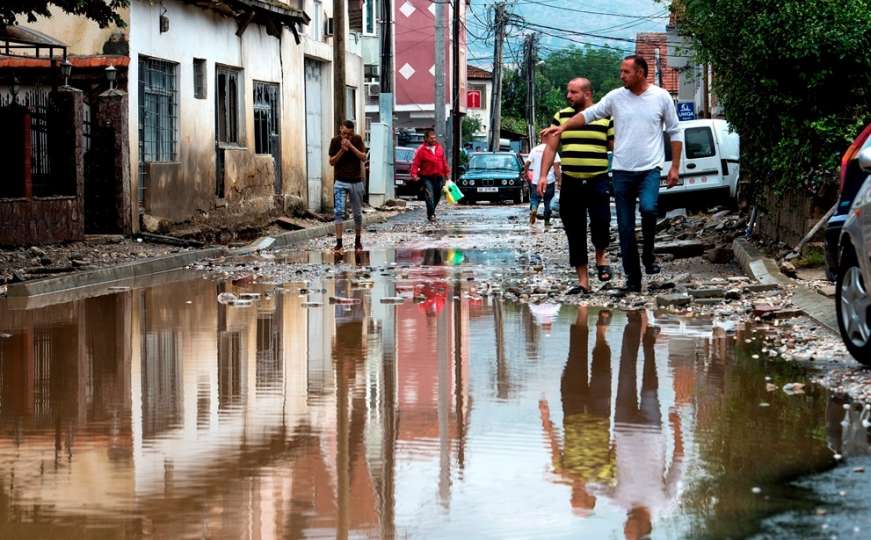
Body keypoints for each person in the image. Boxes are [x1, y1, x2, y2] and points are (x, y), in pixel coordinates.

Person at [540, 56, 683, 294]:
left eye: (625, 72)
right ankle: (633, 280)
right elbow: (589, 114)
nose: (621, 76)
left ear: (640, 73)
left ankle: (648, 254)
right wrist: (563, 127)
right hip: (620, 171)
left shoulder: (661, 97)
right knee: (625, 229)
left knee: (648, 209)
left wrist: (675, 167)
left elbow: (675, 131)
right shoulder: (616, 97)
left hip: (649, 169)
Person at [544, 78, 615, 294]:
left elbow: (616, 146)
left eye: (573, 92)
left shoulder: (605, 117)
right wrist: (541, 176)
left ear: (587, 94)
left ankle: (601, 257)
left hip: (598, 179)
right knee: (574, 231)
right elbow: (550, 149)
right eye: (568, 92)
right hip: (571, 181)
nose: (568, 96)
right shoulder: (561, 116)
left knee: (602, 221)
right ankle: (583, 281)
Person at [328, 120, 367, 252]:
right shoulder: (334, 141)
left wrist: (351, 146)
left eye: (349, 134)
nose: (346, 137)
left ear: (352, 133)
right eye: (344, 134)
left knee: (357, 214)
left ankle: (357, 241)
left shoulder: (357, 139)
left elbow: (363, 157)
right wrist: (342, 151)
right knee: (338, 212)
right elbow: (331, 162)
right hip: (340, 182)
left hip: (356, 181)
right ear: (340, 129)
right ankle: (339, 243)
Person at [410, 129, 451, 222]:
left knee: (437, 196)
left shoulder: (439, 148)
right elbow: (415, 164)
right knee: (429, 195)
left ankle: (431, 212)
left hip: (439, 176)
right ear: (426, 138)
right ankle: (432, 214)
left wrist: (447, 175)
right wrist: (414, 175)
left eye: (434, 138)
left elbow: (444, 162)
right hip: (427, 177)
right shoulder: (421, 150)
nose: (433, 139)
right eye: (431, 138)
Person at [523, 139, 561, 226]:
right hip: (549, 181)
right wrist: (559, 180)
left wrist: (525, 173)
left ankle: (534, 208)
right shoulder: (552, 150)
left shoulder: (535, 149)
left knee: (535, 198)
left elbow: (527, 163)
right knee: (548, 200)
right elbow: (556, 167)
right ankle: (547, 221)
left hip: (536, 180)